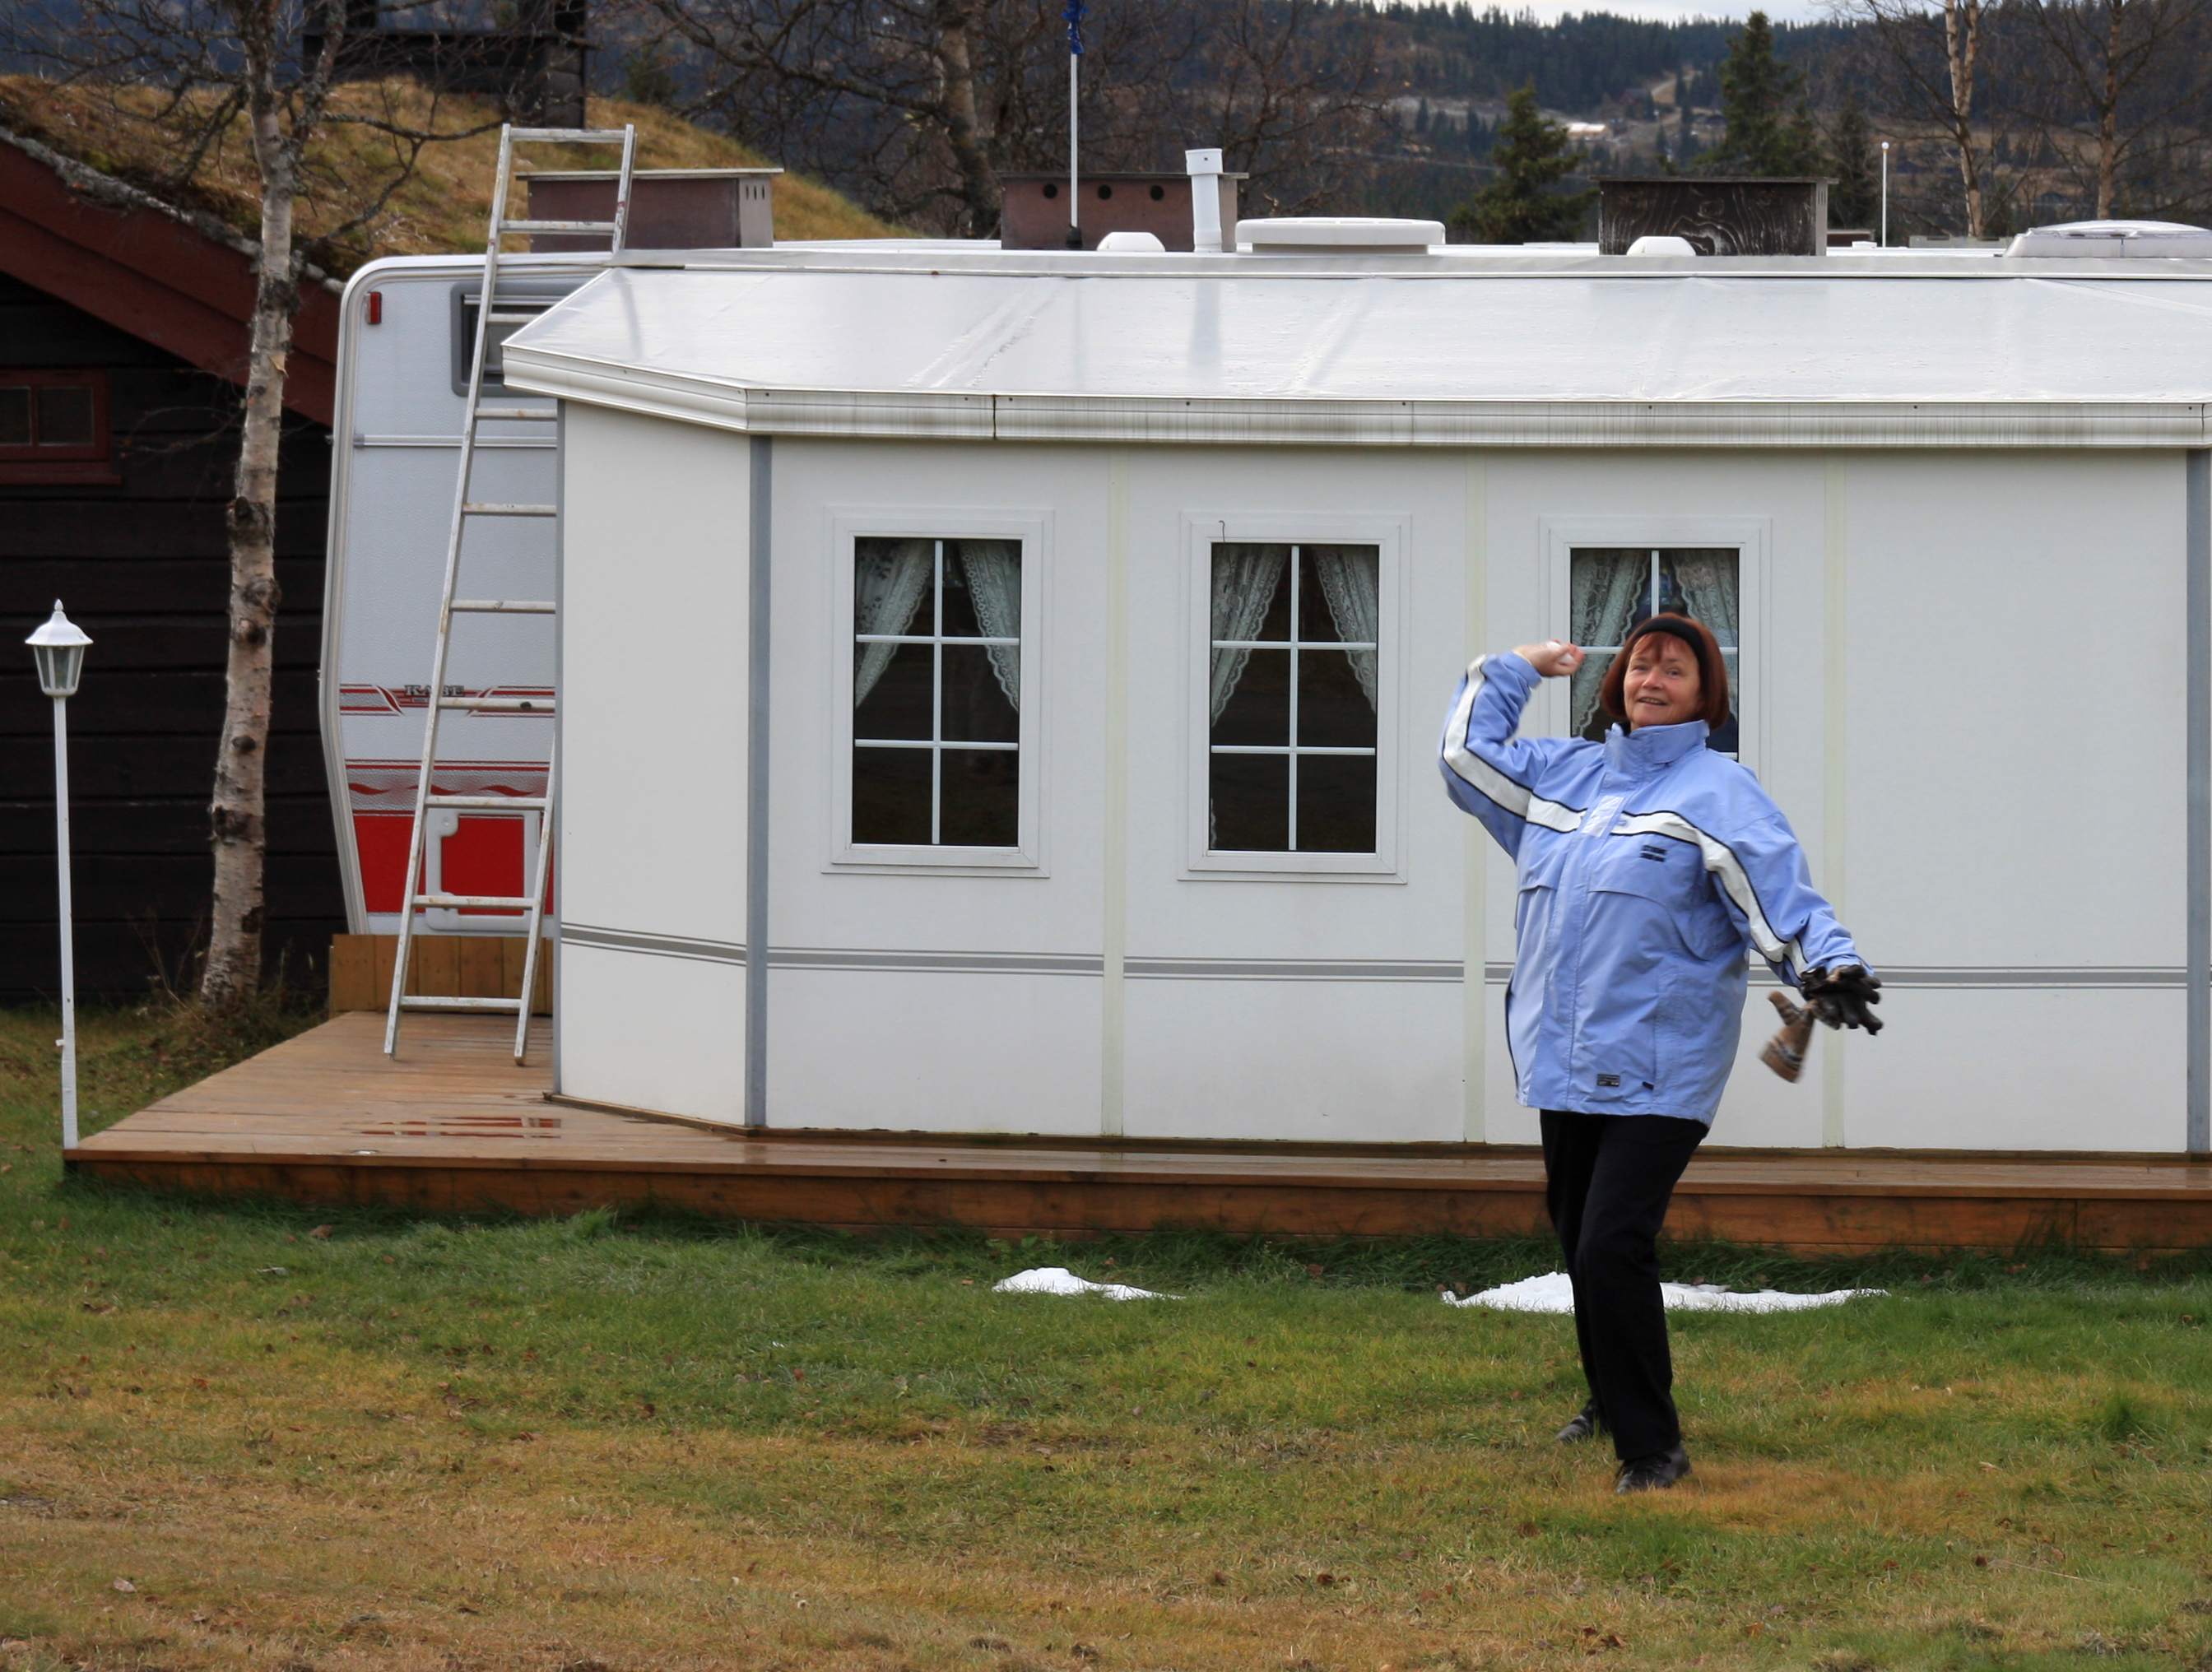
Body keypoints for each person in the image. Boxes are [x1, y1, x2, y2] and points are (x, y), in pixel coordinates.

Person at [1438, 615, 1882, 1493]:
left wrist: (1828, 965)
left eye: (1676, 669)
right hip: (1562, 1057)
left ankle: (1652, 1448)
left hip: (1659, 1066)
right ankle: (1612, 1396)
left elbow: (1780, 894)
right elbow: (1464, 757)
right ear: (1618, 683)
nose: (1653, 677)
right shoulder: (1562, 775)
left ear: (1706, 697)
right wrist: (1518, 667)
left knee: (1612, 1242)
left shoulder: (1721, 791)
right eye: (1642, 663)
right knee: (1582, 1242)